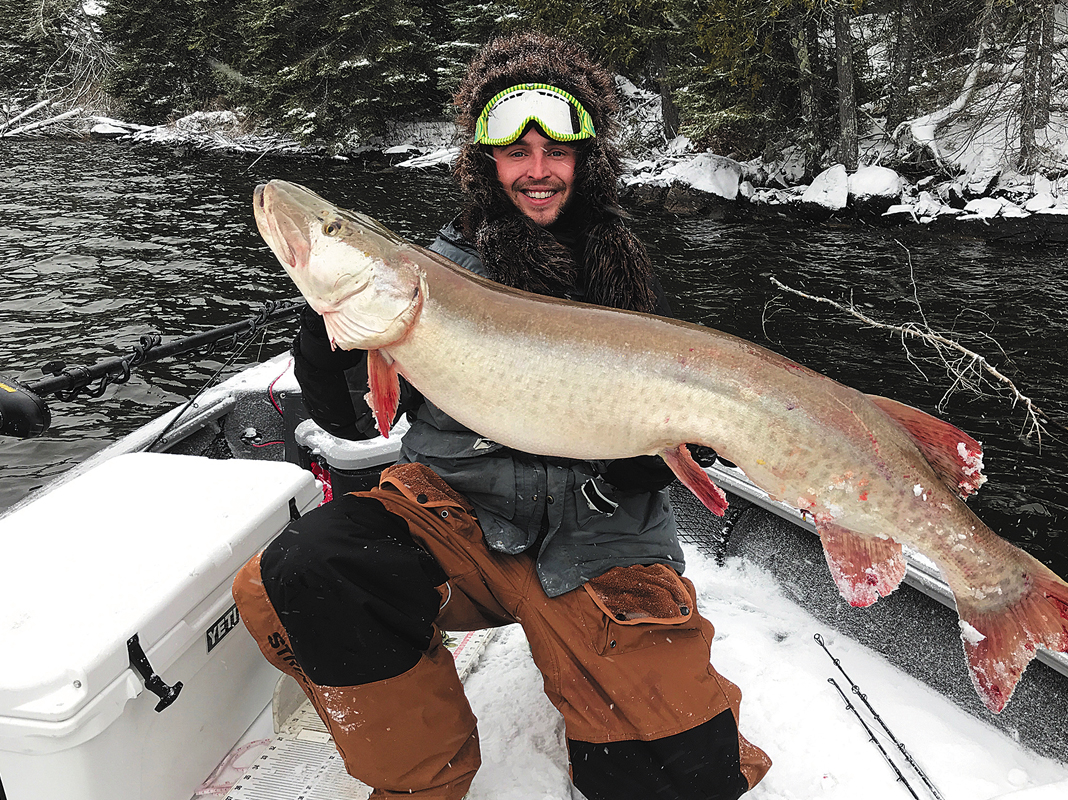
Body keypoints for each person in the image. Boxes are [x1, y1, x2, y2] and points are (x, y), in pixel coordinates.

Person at [233, 31, 771, 800]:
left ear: (587, 159)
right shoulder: (424, 277)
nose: (538, 171)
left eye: (556, 150)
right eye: (515, 152)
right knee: (308, 567)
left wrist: (664, 452)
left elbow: (700, 436)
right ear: (487, 163)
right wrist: (324, 350)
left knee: (683, 781)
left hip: (602, 541)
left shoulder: (639, 285)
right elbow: (354, 431)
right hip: (456, 519)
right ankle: (423, 781)